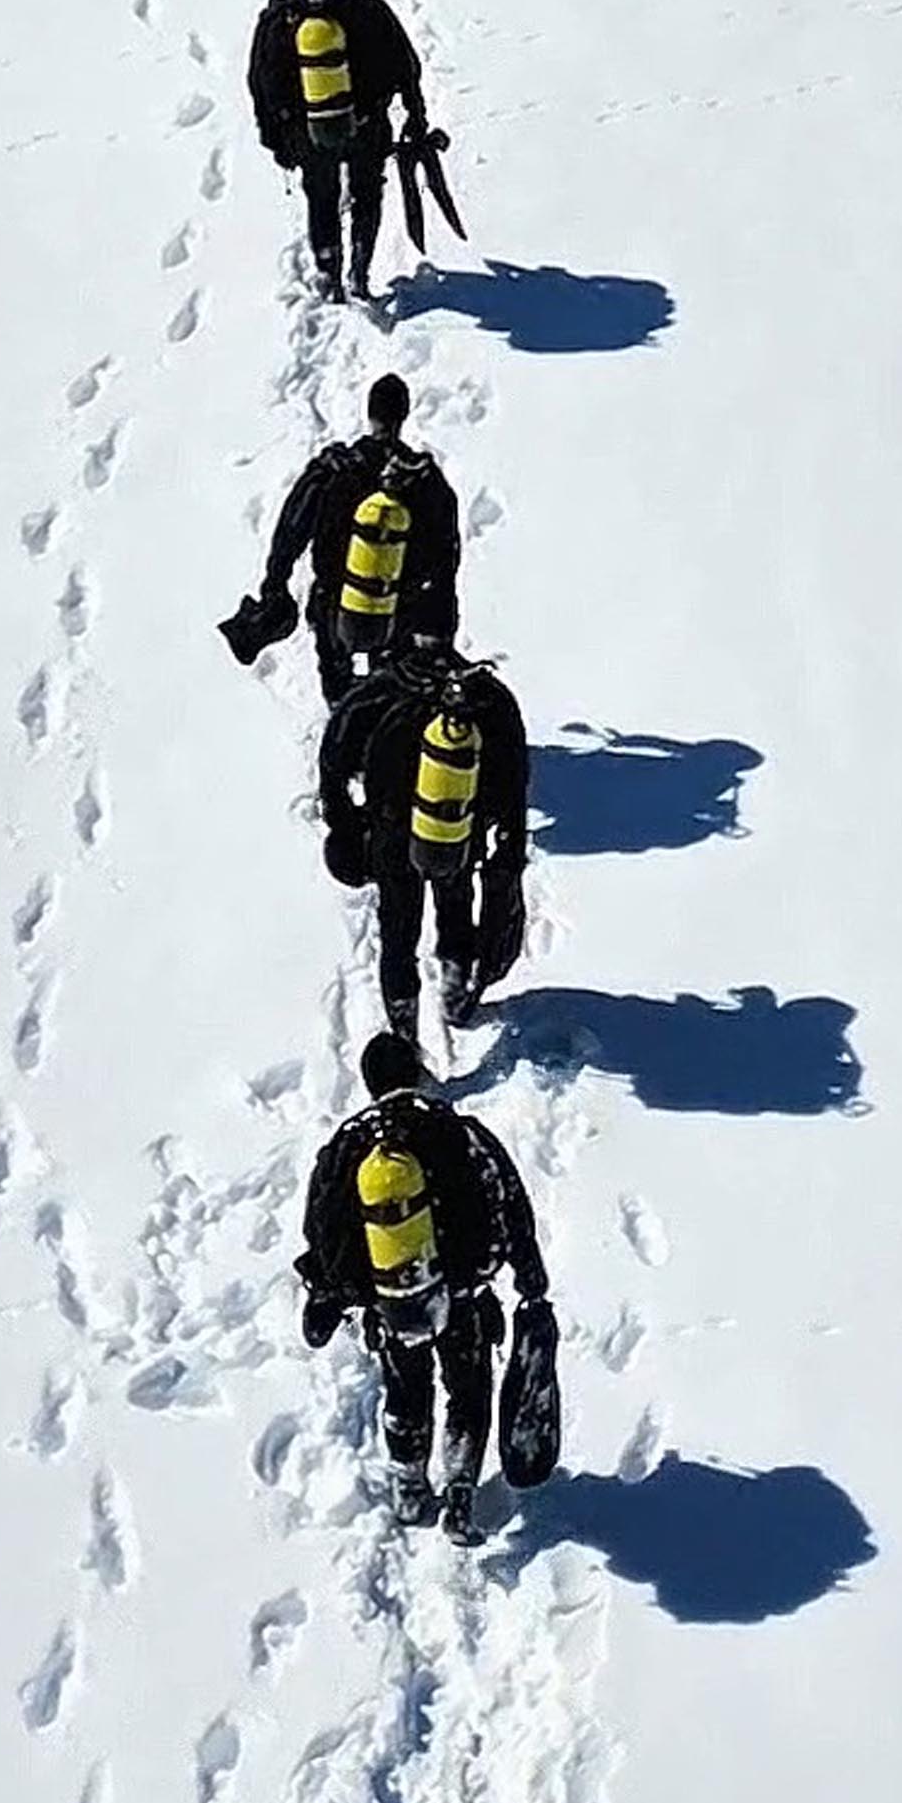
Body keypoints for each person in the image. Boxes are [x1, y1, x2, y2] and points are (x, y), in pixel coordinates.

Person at [297, 1029, 552, 1541]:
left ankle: (410, 1489)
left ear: (370, 1085)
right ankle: (460, 1492)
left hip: (392, 1305)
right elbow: (509, 1200)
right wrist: (530, 1278)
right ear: (415, 1071)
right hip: (462, 1295)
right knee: (469, 1388)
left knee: (405, 1390)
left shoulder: (349, 1145)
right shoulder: (459, 1131)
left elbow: (321, 1227)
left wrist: (323, 1296)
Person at [320, 638, 528, 1040]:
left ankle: (404, 1026)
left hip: (391, 833)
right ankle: (456, 984)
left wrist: (345, 827)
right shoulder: (491, 704)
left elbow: (334, 758)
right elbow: (515, 789)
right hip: (461, 832)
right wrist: (506, 854)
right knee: (456, 900)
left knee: (398, 928)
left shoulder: (381, 693)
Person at [220, 373, 461, 704]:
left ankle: (341, 723)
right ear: (404, 414)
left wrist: (274, 585)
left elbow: (290, 531)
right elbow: (446, 559)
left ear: (369, 413)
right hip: (398, 609)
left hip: (333, 604)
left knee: (339, 689)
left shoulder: (334, 468)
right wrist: (439, 632)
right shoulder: (425, 481)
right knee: (391, 692)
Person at [247, 0, 429, 301]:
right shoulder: (366, 6)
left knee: (321, 199)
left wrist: (275, 140)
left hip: (308, 131)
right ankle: (360, 270)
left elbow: (260, 80)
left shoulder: (281, 15)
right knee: (367, 193)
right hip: (367, 124)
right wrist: (415, 115)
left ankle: (330, 275)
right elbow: (405, 63)